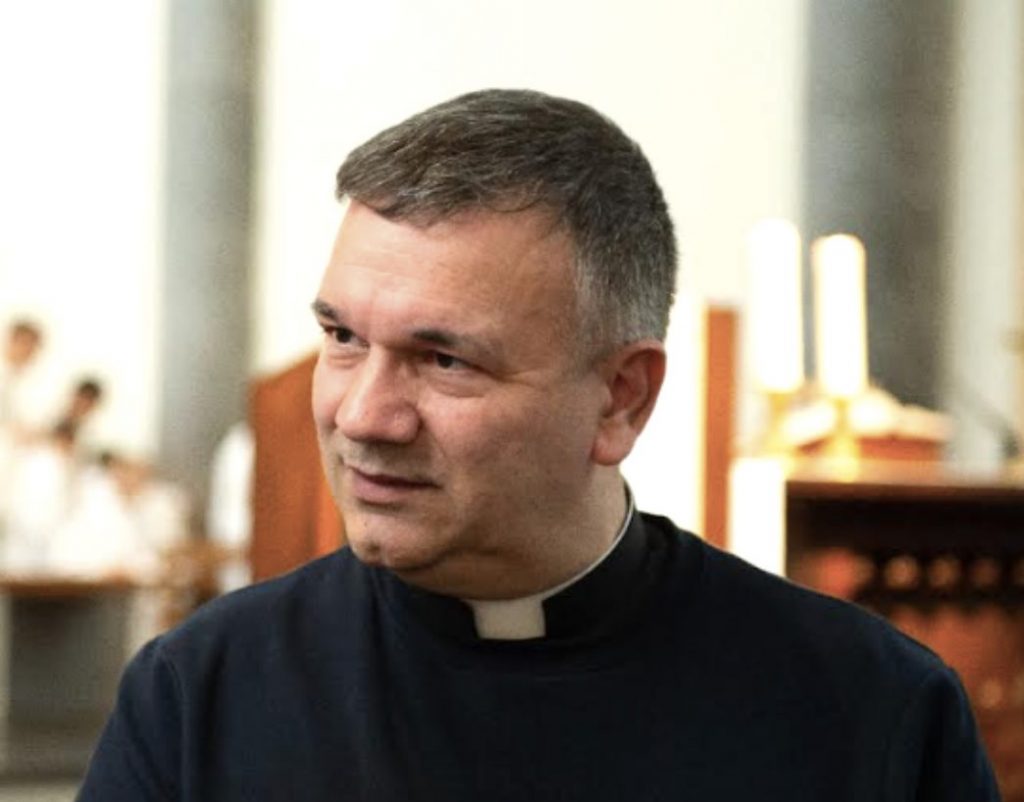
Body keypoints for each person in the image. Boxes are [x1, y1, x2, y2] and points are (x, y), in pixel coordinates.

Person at [78, 90, 999, 801]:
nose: (362, 416)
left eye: (444, 360)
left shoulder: (869, 710)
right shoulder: (199, 694)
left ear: (621, 398)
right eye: (343, 337)